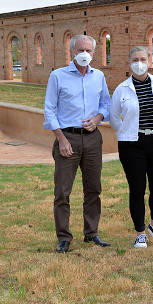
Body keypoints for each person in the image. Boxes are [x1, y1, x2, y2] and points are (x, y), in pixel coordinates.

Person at [43, 35, 112, 253]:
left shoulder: (98, 76)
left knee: (93, 189)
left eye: (89, 50)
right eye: (81, 50)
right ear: (72, 51)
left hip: (92, 138)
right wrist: (61, 139)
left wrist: (98, 118)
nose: (85, 54)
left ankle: (91, 233)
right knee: (63, 191)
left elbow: (106, 104)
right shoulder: (58, 76)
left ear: (94, 53)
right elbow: (49, 109)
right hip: (68, 138)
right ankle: (64, 237)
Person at [110, 46, 153, 249]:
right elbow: (114, 117)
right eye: (135, 59)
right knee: (137, 188)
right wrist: (128, 132)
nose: (139, 63)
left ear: (150, 61)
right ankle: (140, 232)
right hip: (132, 145)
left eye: (143, 59)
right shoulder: (122, 89)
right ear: (129, 63)